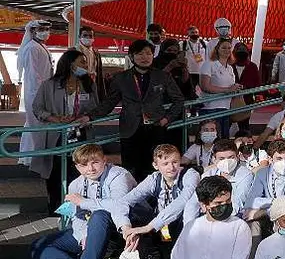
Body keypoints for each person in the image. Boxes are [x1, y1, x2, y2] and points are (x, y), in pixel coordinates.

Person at [30, 144, 136, 259]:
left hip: (123, 230)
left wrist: (84, 202)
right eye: (84, 165)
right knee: (39, 245)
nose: (91, 168)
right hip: (93, 231)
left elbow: (119, 206)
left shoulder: (119, 175)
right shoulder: (76, 185)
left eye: (95, 162)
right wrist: (83, 236)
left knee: (100, 214)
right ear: (77, 166)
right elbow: (77, 217)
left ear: (104, 160)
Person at [80, 40, 185, 179]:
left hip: (156, 128)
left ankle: (154, 199)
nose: (145, 57)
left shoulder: (162, 76)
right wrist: (89, 117)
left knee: (155, 168)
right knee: (130, 169)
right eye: (140, 54)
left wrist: (166, 119)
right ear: (131, 56)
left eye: (148, 53)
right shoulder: (120, 78)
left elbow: (179, 99)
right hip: (130, 130)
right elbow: (109, 103)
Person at [114, 144, 201, 259]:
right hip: (161, 222)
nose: (171, 167)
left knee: (176, 227)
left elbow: (184, 199)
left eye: (175, 162)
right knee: (132, 214)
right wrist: (125, 228)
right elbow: (125, 201)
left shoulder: (190, 175)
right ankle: (154, 256)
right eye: (165, 163)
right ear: (156, 165)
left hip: (182, 220)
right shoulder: (154, 179)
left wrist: (150, 226)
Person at [31, 50, 98, 213]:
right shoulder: (49, 84)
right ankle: (55, 206)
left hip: (80, 133)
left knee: (79, 170)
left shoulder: (88, 84)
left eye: (85, 62)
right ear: (69, 64)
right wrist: (54, 118)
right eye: (81, 62)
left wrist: (85, 117)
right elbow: (37, 107)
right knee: (55, 171)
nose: (85, 65)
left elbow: (96, 107)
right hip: (56, 134)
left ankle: (77, 207)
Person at [244, 139, 285, 253]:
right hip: (269, 218)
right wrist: (275, 202)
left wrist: (263, 211)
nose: (284, 162)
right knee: (252, 223)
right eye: (279, 159)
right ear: (270, 159)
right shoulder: (262, 173)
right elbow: (251, 201)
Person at [16, 20, 55, 163]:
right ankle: (34, 157)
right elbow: (33, 75)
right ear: (32, 31)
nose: (45, 32)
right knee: (36, 124)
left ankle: (31, 156)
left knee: (35, 125)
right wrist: (41, 94)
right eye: (41, 29)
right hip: (35, 93)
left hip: (41, 91)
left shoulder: (41, 46)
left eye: (46, 29)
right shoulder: (32, 48)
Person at [198, 37, 240, 138]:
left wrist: (235, 88)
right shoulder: (208, 64)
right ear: (217, 49)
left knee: (223, 138)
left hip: (226, 108)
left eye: (229, 48)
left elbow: (230, 86)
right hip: (211, 108)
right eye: (224, 48)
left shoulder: (229, 68)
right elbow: (205, 86)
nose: (227, 50)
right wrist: (227, 90)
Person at [202, 139, 255, 217]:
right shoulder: (207, 175)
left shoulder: (246, 175)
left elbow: (238, 204)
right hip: (209, 214)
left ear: (237, 157)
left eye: (231, 157)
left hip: (235, 216)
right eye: (221, 159)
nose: (226, 162)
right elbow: (195, 202)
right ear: (214, 159)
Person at [75, 25, 106, 100]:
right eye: (85, 35)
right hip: (78, 85)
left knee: (93, 107)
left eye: (90, 36)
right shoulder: (74, 51)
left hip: (93, 84)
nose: (88, 38)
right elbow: (70, 69)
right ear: (79, 36)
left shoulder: (96, 53)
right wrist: (86, 73)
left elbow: (99, 73)